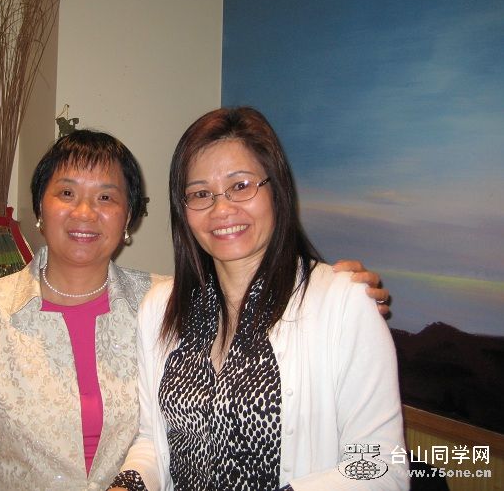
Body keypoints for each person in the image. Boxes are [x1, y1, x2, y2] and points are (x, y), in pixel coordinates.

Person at [0, 129, 391, 490]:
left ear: (128, 217)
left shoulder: (159, 302)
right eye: (66, 193)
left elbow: (381, 463)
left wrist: (340, 293)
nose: (85, 212)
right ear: (38, 208)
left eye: (106, 197)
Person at [110, 108, 408, 490]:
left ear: (276, 190)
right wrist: (128, 485)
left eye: (240, 186)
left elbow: (381, 467)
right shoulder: (160, 307)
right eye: (200, 194)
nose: (221, 209)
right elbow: (154, 441)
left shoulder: (343, 304)